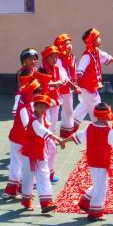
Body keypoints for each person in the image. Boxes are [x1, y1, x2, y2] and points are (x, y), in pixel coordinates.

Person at [70, 102, 113, 220]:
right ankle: (94, 212)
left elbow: (77, 136)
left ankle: (85, 201)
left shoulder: (90, 127)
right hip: (101, 162)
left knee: (100, 183)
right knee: (101, 187)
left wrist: (62, 142)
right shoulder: (107, 131)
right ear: (107, 115)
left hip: (92, 160)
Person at [72, 29, 113, 127]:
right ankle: (101, 128)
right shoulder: (87, 56)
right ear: (92, 40)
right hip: (88, 89)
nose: (100, 39)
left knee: (83, 107)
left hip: (89, 89)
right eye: (97, 38)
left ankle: (69, 128)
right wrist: (74, 84)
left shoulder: (96, 52)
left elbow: (109, 58)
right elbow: (79, 72)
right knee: (98, 111)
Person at [19, 94, 66, 212]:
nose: (43, 109)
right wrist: (59, 139)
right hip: (31, 154)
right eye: (40, 106)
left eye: (45, 107)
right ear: (35, 107)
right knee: (29, 179)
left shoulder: (43, 117)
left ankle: (46, 203)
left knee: (44, 176)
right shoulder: (34, 121)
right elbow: (44, 132)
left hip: (40, 152)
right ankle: (26, 201)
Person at [39, 45, 72, 182]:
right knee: (46, 131)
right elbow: (41, 85)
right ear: (46, 58)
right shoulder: (41, 71)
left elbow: (65, 79)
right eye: (52, 56)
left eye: (56, 56)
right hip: (44, 105)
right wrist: (54, 83)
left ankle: (49, 172)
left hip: (55, 104)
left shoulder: (58, 68)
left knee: (52, 128)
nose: (55, 58)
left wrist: (71, 85)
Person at [5, 69, 40, 198]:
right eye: (35, 91)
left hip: (16, 136)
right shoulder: (25, 106)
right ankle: (21, 188)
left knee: (17, 162)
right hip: (20, 138)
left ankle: (13, 188)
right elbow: (27, 125)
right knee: (22, 163)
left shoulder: (26, 102)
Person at [53, 34, 78, 138]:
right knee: (54, 112)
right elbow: (63, 76)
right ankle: (51, 135)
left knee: (68, 110)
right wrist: (74, 86)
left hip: (68, 89)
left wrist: (76, 84)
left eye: (69, 43)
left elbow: (74, 73)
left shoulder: (72, 57)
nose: (69, 46)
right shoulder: (57, 59)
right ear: (60, 46)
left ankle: (66, 132)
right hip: (57, 89)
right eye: (66, 44)